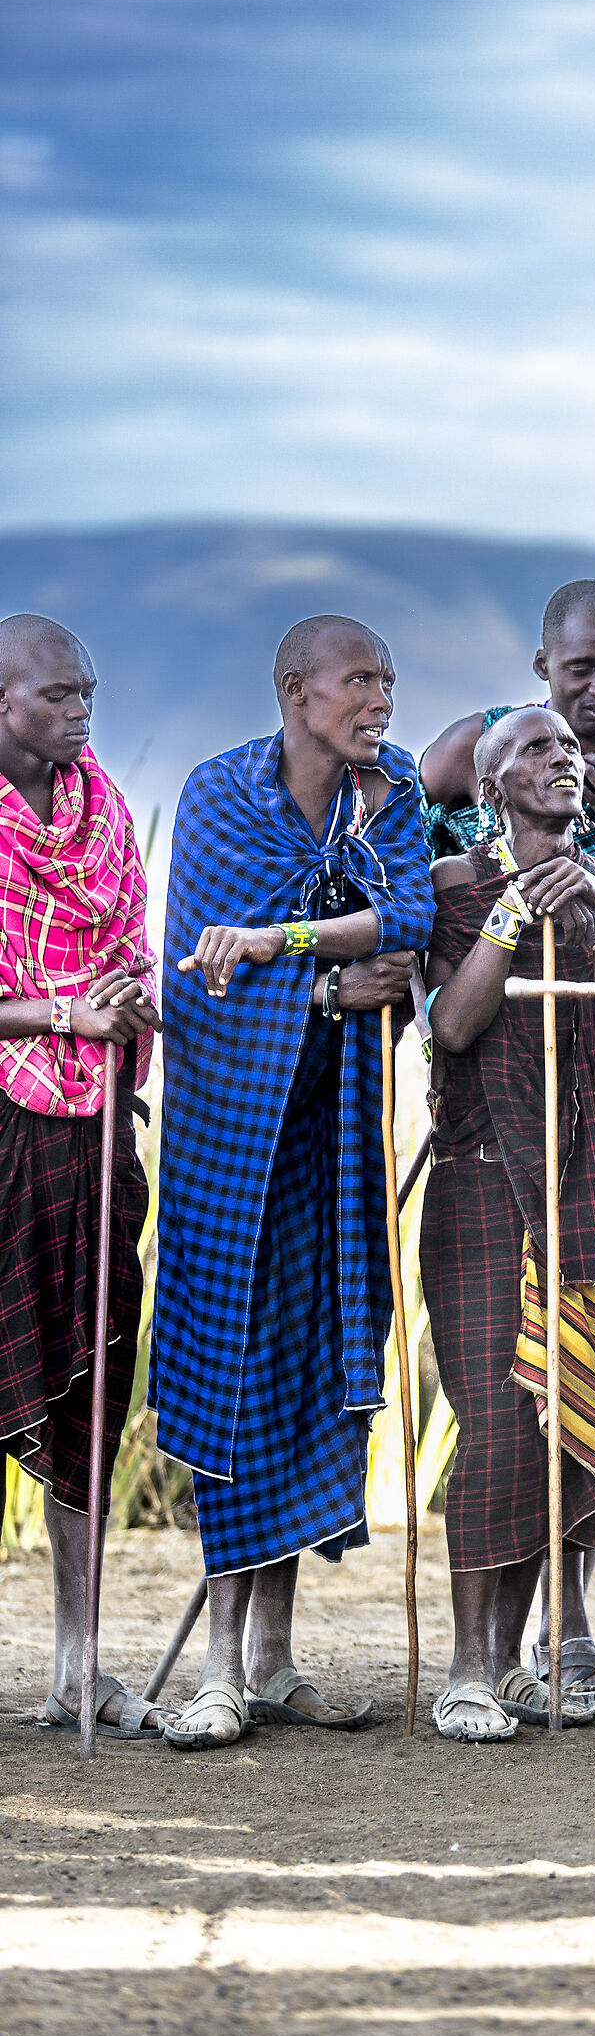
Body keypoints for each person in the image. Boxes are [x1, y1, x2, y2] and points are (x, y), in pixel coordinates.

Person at [153, 616, 435, 1750]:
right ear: (294, 689)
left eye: (389, 678)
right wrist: (328, 983)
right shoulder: (221, 796)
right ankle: (218, 1667)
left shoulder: (393, 792)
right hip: (235, 1145)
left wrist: (277, 945)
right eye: (360, 678)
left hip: (337, 1135)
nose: (381, 697)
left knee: (321, 1360)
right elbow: (196, 970)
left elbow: (409, 921)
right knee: (236, 1372)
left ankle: (272, 1661)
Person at [421, 705, 595, 1738]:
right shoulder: (453, 887)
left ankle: (525, 1659)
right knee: (494, 1421)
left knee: (556, 1424)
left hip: (590, 1187)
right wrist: (511, 918)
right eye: (534, 748)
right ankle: (465, 1671)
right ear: (490, 784)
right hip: (485, 1179)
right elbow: (450, 1024)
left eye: (568, 749)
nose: (561, 760)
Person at [0, 613, 165, 1739]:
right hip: (3, 1125)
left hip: (96, 1126)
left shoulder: (101, 809)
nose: (79, 711)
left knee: (87, 1393)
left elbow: (133, 957)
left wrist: (125, 1006)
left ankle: (78, 1661)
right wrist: (66, 1009)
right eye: (57, 695)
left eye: (88, 694)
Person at [420, 578, 595, 969]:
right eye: (581, 669)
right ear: (544, 665)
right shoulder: (476, 747)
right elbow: (411, 875)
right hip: (491, 990)